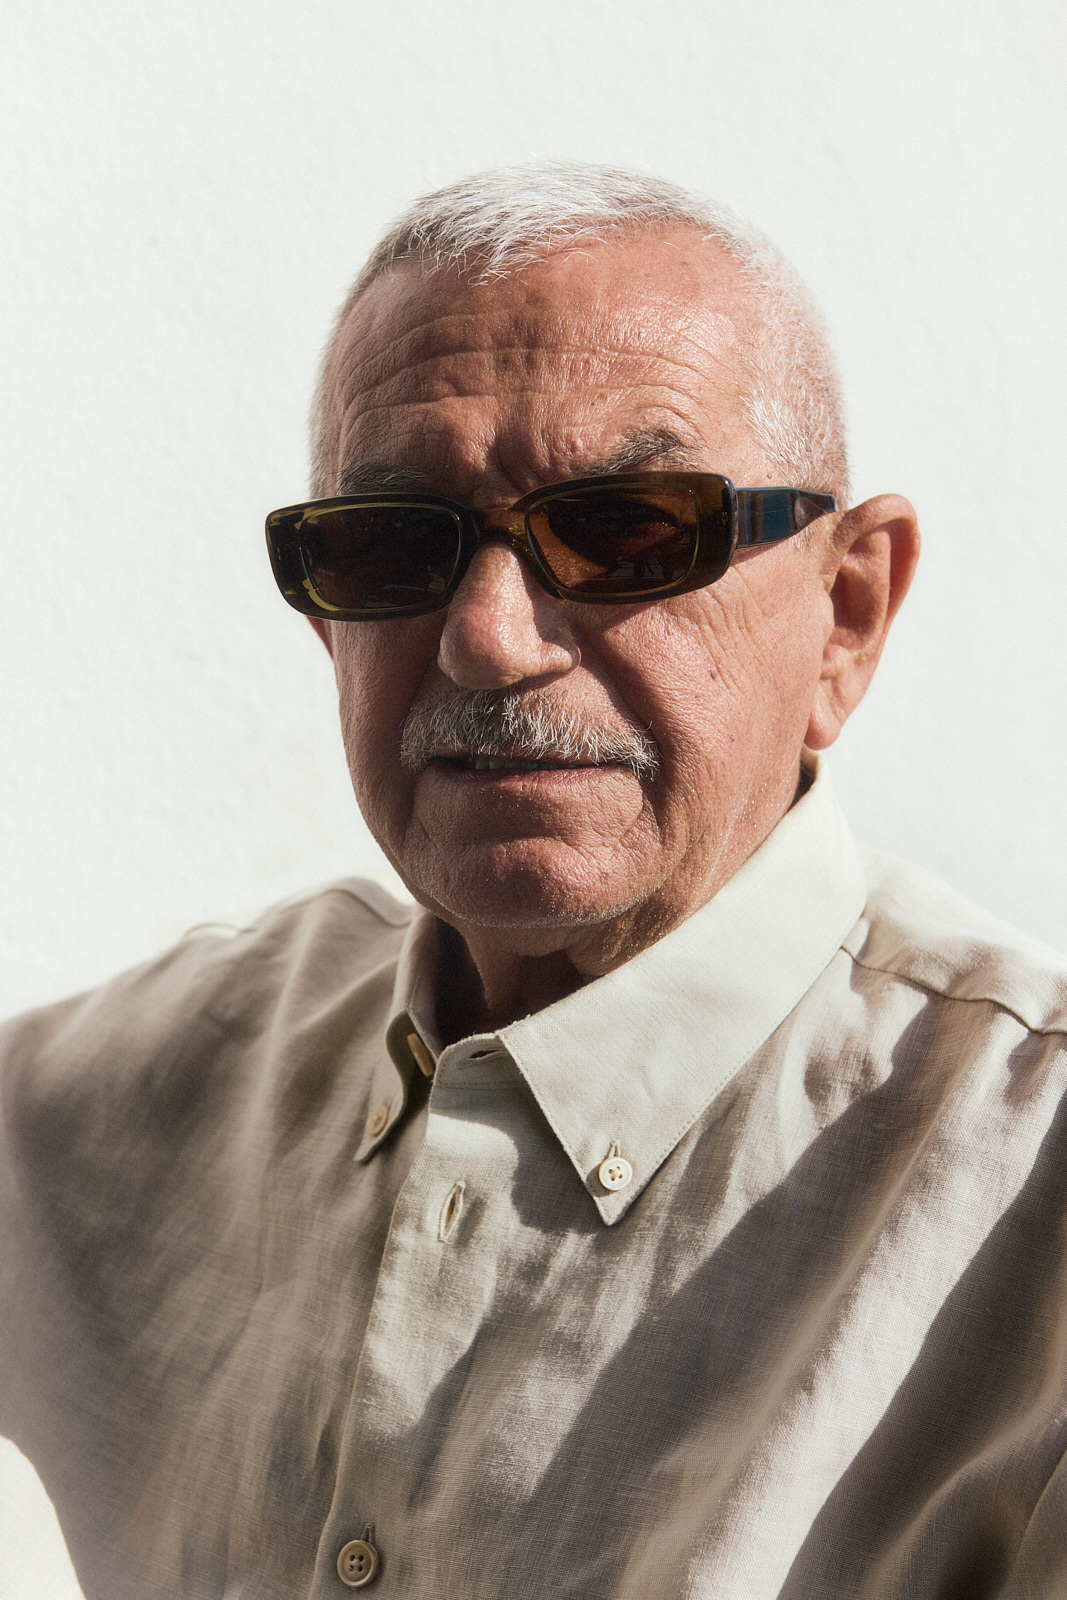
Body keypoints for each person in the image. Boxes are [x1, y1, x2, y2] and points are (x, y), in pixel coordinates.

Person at [2, 162, 1066, 1600]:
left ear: (848, 612)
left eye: (626, 532)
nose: (488, 637)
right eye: (394, 546)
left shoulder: (1029, 1206)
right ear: (328, 622)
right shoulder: (79, 1119)